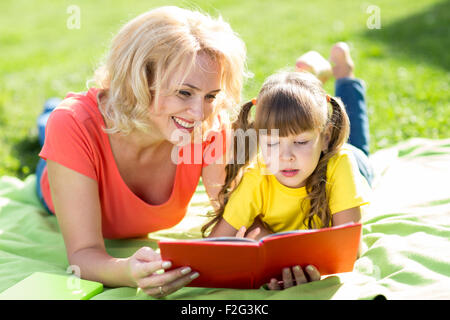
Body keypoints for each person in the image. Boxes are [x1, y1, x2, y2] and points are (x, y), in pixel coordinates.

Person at [35, 6, 249, 298]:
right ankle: (45, 115)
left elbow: (236, 216)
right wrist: (128, 271)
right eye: (184, 93)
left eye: (211, 96)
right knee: (51, 122)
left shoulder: (210, 124)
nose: (199, 112)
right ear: (138, 79)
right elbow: (83, 255)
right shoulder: (72, 125)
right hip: (60, 161)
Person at [202, 52, 372, 290]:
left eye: (300, 142)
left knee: (357, 142)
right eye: (272, 144)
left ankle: (345, 75)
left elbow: (350, 251)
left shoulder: (341, 163)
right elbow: (213, 246)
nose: (286, 156)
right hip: (313, 142)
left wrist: (291, 262)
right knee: (301, 119)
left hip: (349, 161)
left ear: (324, 138)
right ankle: (307, 87)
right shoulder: (256, 178)